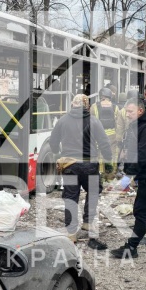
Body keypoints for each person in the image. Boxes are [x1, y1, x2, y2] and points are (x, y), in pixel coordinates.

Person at [49, 94, 113, 250]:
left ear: (73, 105)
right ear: (86, 105)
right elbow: (104, 142)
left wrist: (58, 152)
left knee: (71, 196)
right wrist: (109, 160)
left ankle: (71, 233)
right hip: (89, 165)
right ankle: (87, 223)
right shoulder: (94, 121)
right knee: (93, 192)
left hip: (70, 166)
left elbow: (53, 141)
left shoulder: (63, 120)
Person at [111, 98, 146, 259]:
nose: (127, 114)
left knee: (141, 211)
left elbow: (142, 155)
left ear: (140, 111)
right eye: (126, 111)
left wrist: (129, 175)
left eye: (130, 111)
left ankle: (132, 247)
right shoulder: (140, 125)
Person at [90, 87, 120, 181]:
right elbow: (118, 124)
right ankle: (110, 177)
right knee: (111, 156)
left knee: (99, 155)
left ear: (100, 96)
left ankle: (100, 176)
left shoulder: (94, 106)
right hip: (112, 135)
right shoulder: (115, 107)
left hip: (98, 135)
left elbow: (91, 121)